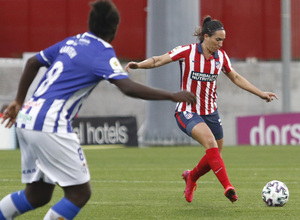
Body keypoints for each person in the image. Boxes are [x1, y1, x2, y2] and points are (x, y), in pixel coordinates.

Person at [0, 0, 196, 219]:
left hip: (27, 117)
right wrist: (171, 95)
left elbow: (32, 63)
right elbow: (127, 87)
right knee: (79, 193)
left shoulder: (72, 41)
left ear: (90, 23)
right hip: (49, 123)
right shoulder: (102, 51)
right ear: (114, 30)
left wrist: (18, 101)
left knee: (37, 195)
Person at [126, 16, 278, 203]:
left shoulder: (220, 57)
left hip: (210, 112)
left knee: (215, 154)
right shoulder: (187, 51)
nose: (221, 44)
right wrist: (139, 65)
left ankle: (191, 177)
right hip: (187, 111)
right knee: (211, 144)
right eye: (218, 40)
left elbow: (236, 77)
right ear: (206, 37)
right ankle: (228, 187)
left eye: (223, 40)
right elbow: (159, 60)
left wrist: (260, 93)